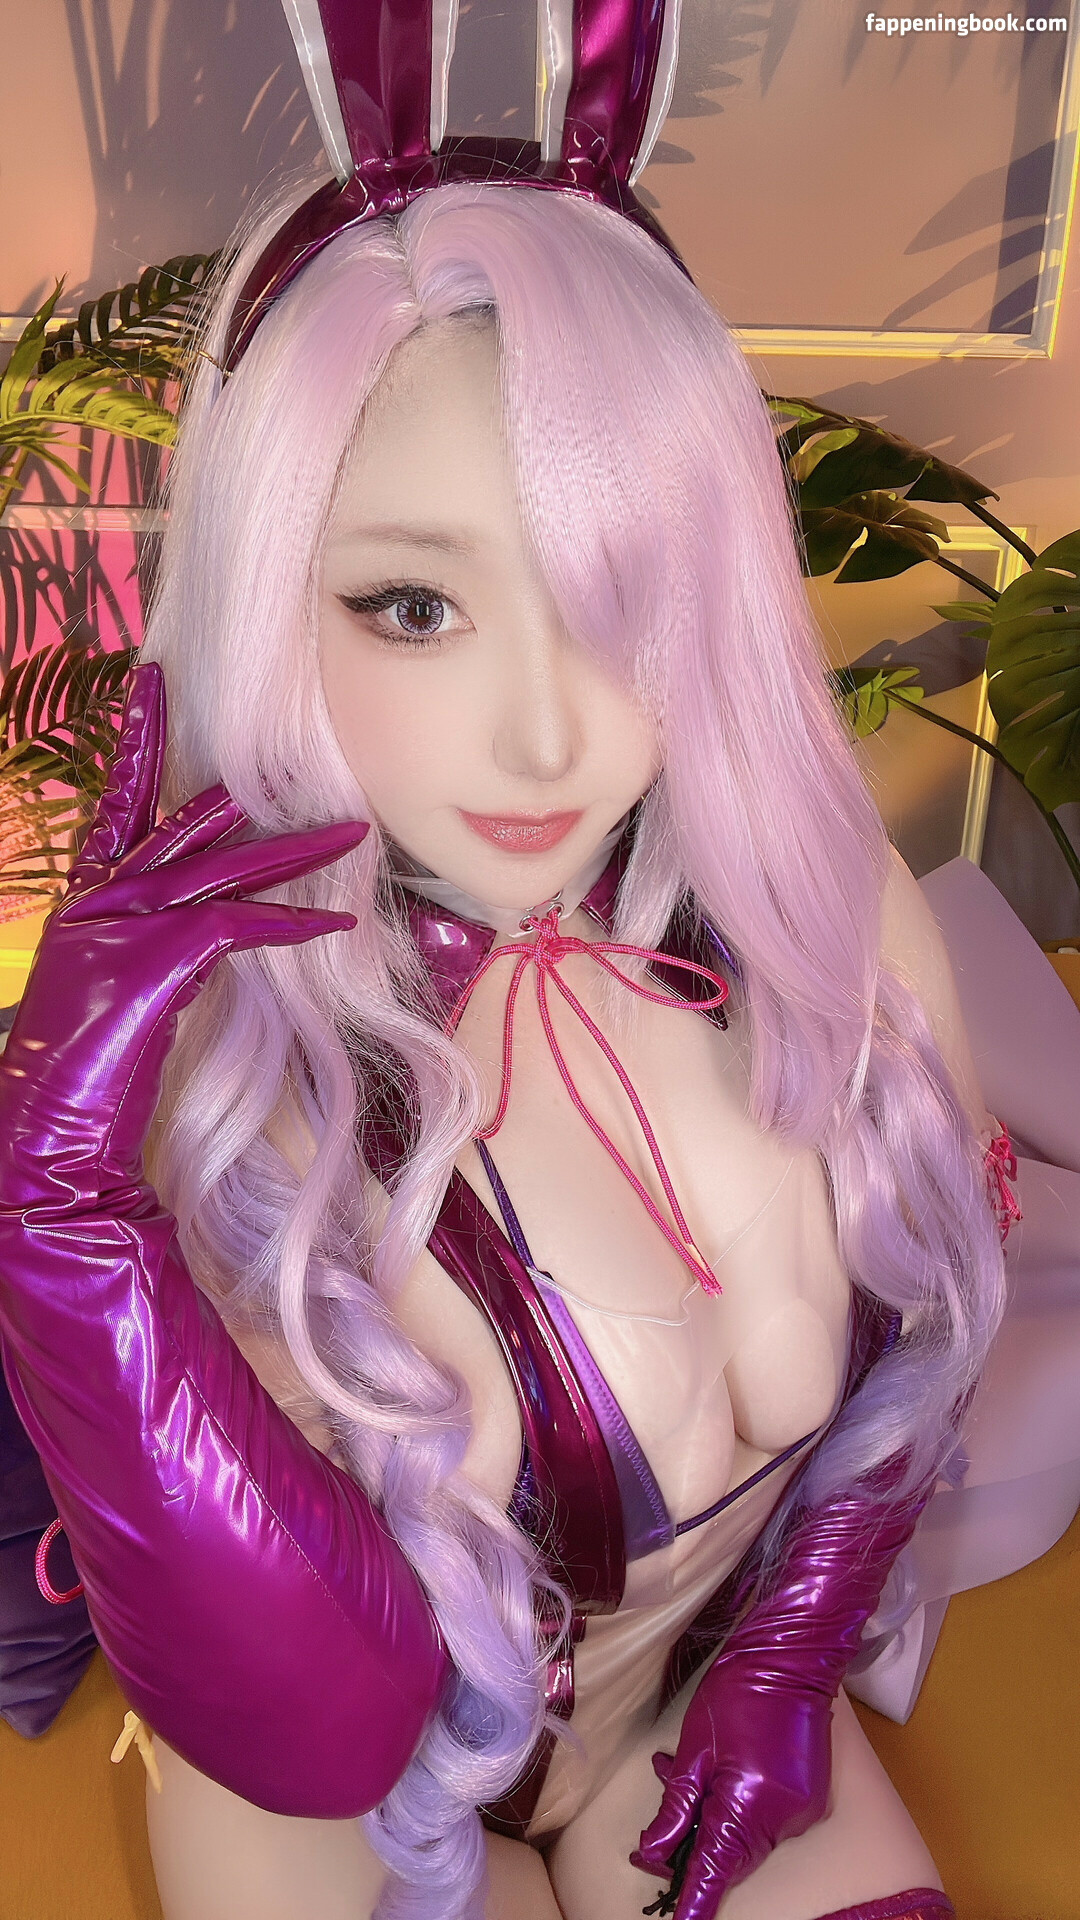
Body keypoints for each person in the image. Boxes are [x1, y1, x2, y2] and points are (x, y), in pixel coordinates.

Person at [0, 9, 1011, 1918]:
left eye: (623, 598)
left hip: (681, 1730)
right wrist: (54, 1214)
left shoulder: (832, 928)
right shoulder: (226, 1059)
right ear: (271, 603)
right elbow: (310, 1725)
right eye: (414, 604)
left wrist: (789, 1661)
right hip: (324, 1794)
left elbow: (921, 1349)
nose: (548, 738)